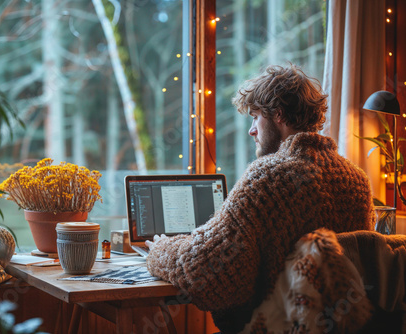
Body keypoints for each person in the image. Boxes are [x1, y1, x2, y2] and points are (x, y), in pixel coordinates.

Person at [145, 64, 375, 333]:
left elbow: (204, 272)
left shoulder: (269, 177)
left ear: (278, 114)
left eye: (255, 117)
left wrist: (161, 249)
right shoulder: (356, 179)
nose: (251, 130)